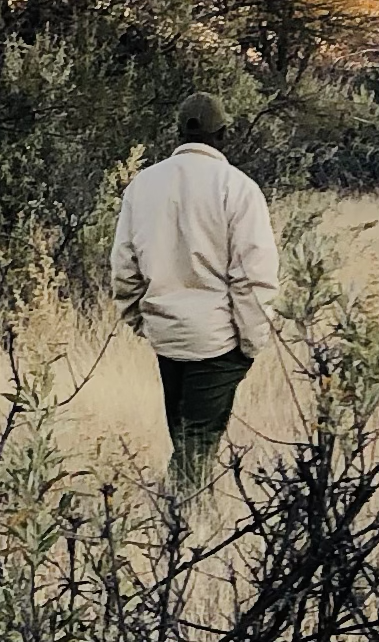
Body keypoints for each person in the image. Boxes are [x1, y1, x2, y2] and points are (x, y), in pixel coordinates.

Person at [110, 93, 280, 493]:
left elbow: (124, 265)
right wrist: (253, 341)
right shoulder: (238, 188)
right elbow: (253, 275)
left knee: (184, 435)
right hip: (217, 339)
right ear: (223, 134)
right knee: (197, 446)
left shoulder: (143, 184)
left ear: (177, 131)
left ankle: (181, 527)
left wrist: (140, 320)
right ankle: (181, 525)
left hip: (166, 335)